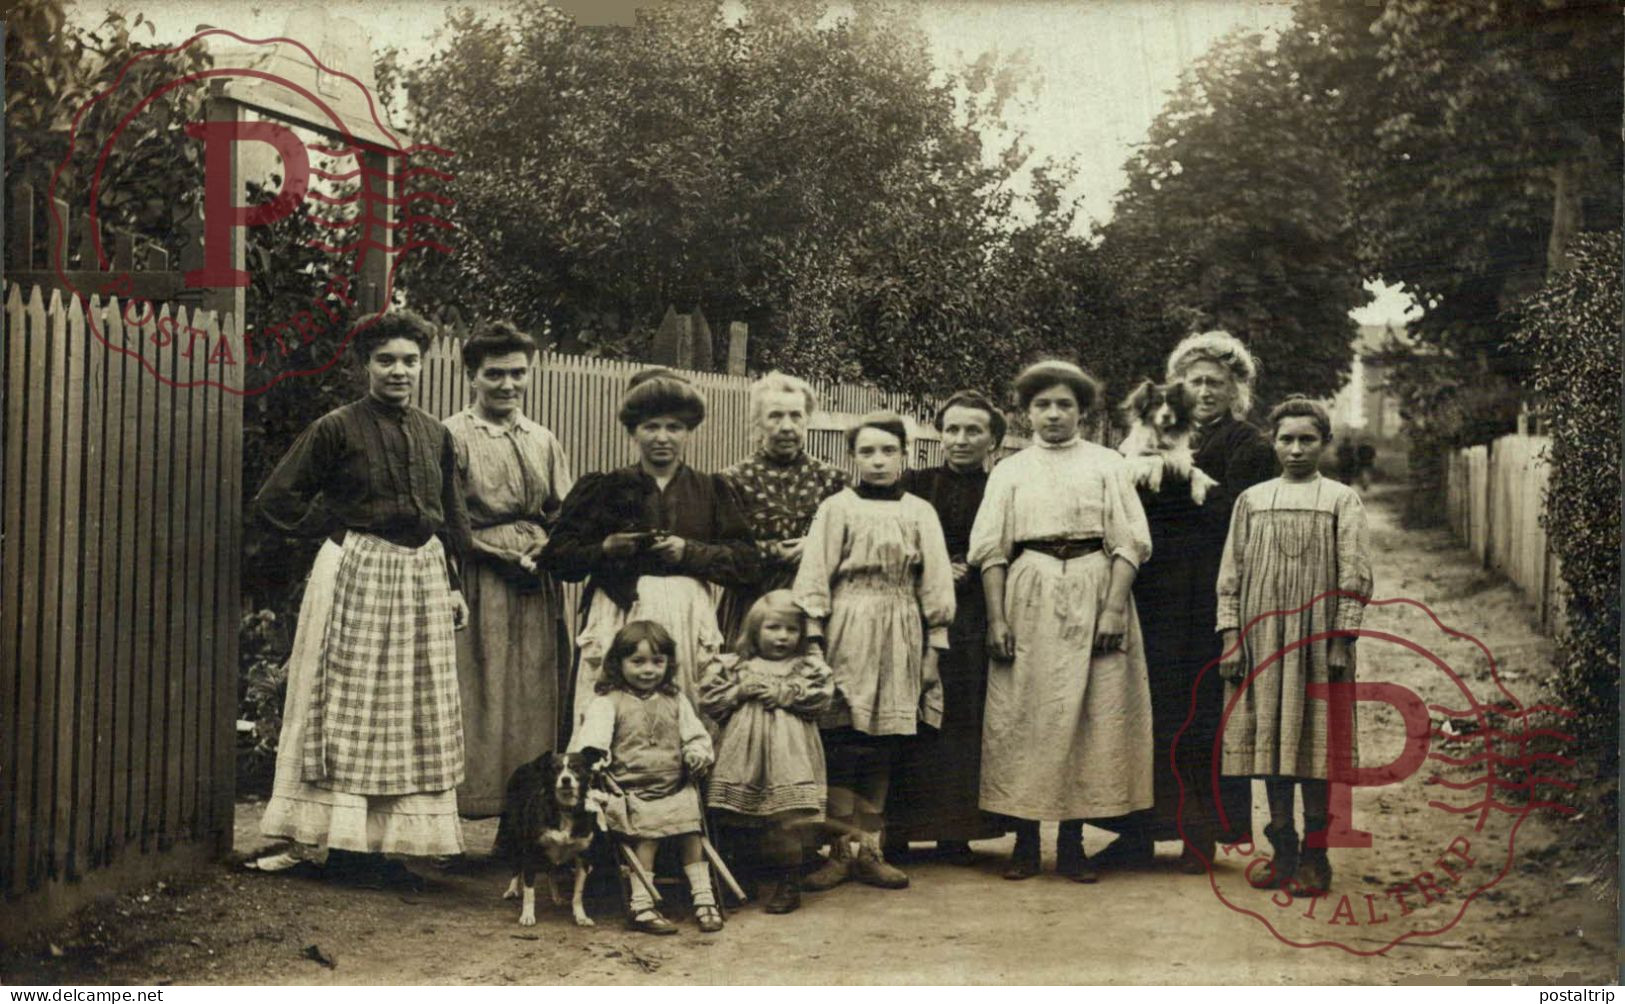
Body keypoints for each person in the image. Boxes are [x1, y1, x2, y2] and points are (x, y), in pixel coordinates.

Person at [247, 311, 473, 881]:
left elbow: (451, 518)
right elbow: (275, 501)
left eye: (410, 361)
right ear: (365, 364)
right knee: (347, 703)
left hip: (421, 576)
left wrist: (454, 584)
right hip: (358, 570)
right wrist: (333, 528)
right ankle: (339, 844)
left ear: (423, 365)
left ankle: (388, 845)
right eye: (386, 360)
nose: (399, 371)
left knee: (408, 709)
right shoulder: (336, 428)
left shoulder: (435, 434)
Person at [1094, 330, 1277, 873]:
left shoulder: (1250, 447)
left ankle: (1200, 833)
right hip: (1149, 591)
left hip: (1208, 593)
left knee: (1200, 716)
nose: (1204, 390)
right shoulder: (1150, 436)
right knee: (1140, 711)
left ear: (1236, 389)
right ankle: (1137, 834)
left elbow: (1241, 525)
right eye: (1194, 381)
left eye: (1216, 382)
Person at [969, 360, 1154, 883]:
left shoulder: (1107, 464)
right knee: (1026, 714)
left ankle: (1072, 842)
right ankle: (1026, 841)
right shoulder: (1010, 469)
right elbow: (990, 550)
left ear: (1082, 412)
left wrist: (1114, 607)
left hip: (1096, 586)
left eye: (1064, 405)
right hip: (1029, 588)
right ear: (1025, 412)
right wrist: (997, 618)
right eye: (1042, 405)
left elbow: (1130, 541)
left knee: (1089, 714)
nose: (1053, 415)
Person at [541, 368, 757, 730]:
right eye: (651, 427)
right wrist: (606, 548)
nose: (662, 438)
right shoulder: (605, 488)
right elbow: (558, 557)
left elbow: (746, 562)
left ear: (689, 432)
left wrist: (689, 552)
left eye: (674, 428)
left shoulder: (710, 490)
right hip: (619, 615)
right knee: (611, 714)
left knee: (685, 714)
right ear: (632, 432)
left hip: (687, 618)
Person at [1217, 396, 1372, 898]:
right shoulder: (1253, 500)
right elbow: (1231, 576)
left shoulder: (1341, 500)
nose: (1296, 449)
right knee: (1269, 744)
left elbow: (1354, 576)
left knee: (1313, 748)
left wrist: (1342, 640)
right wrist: (1231, 639)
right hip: (1261, 640)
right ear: (1273, 443)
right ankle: (1282, 847)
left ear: (1324, 443)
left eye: (1307, 439)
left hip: (1317, 641)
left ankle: (1316, 855)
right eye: (1286, 439)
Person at [793, 411, 955, 892]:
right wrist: (816, 643)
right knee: (844, 741)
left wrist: (933, 651)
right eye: (867, 451)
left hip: (902, 624)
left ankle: (872, 850)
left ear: (905, 455)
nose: (878, 461)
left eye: (888, 451)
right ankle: (841, 851)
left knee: (885, 744)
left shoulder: (920, 511)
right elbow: (815, 576)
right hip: (848, 625)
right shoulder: (836, 508)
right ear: (853, 458)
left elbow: (938, 582)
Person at [443, 322, 575, 819]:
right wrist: (497, 555)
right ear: (471, 377)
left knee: (533, 695)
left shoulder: (542, 439)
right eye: (494, 374)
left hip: (535, 583)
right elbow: (448, 519)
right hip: (482, 578)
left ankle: (525, 818)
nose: (507, 384)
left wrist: (548, 547)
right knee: (478, 692)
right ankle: (467, 809)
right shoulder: (453, 436)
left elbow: (562, 512)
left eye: (517, 373)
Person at [886, 390, 1009, 863]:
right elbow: (893, 538)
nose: (960, 440)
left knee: (963, 716)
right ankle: (898, 830)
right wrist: (934, 568)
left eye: (973, 431)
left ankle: (956, 830)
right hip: (915, 611)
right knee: (911, 712)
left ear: (992, 440)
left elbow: (1009, 545)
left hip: (977, 613)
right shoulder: (914, 485)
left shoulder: (999, 487)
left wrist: (971, 570)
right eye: (952, 429)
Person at [569, 621, 721, 934]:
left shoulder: (675, 701)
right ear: (618, 663)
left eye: (657, 661)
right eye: (637, 662)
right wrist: (597, 761)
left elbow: (696, 737)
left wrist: (695, 753)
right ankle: (642, 905)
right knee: (647, 835)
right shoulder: (607, 703)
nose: (648, 670)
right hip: (631, 791)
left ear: (668, 664)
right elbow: (593, 744)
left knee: (692, 832)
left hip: (673, 786)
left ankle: (704, 898)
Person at [699, 590, 835, 915]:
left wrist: (786, 693)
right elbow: (711, 702)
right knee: (739, 816)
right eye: (773, 628)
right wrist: (738, 692)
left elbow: (821, 700)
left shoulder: (806, 668)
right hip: (742, 754)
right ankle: (742, 877)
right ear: (754, 630)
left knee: (786, 819)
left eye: (791, 629)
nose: (782, 637)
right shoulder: (737, 666)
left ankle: (789, 881)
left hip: (789, 755)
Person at [717, 372, 848, 647]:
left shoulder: (833, 480)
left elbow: (850, 543)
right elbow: (722, 552)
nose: (786, 426)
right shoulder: (731, 481)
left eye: (796, 416)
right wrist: (775, 551)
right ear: (757, 423)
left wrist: (814, 546)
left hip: (814, 607)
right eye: (775, 416)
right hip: (752, 606)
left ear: (808, 420)